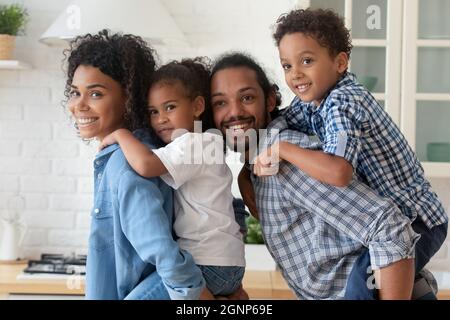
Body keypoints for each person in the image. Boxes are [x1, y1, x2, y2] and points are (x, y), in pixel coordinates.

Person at [253, 8, 447, 299]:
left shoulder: (343, 100)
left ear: (340, 62)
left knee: (361, 285)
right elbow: (279, 121)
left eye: (306, 61)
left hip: (417, 220)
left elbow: (339, 172)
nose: (296, 74)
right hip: (401, 222)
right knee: (376, 280)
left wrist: (283, 149)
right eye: (287, 66)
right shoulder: (312, 101)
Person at [210, 52, 422, 300]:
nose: (234, 112)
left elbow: (390, 227)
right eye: (220, 103)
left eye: (247, 97)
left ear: (269, 100)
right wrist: (245, 173)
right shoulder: (260, 164)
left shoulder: (284, 162)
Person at [64, 30, 205, 300]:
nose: (78, 105)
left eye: (95, 94)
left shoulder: (126, 165)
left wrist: (195, 296)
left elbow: (162, 252)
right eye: (75, 92)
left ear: (129, 98)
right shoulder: (136, 153)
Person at [99, 57, 246, 298]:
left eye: (170, 107)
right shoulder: (204, 144)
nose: (160, 119)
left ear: (198, 106)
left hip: (205, 262)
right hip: (226, 264)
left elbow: (146, 164)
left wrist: (121, 135)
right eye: (153, 112)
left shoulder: (193, 142)